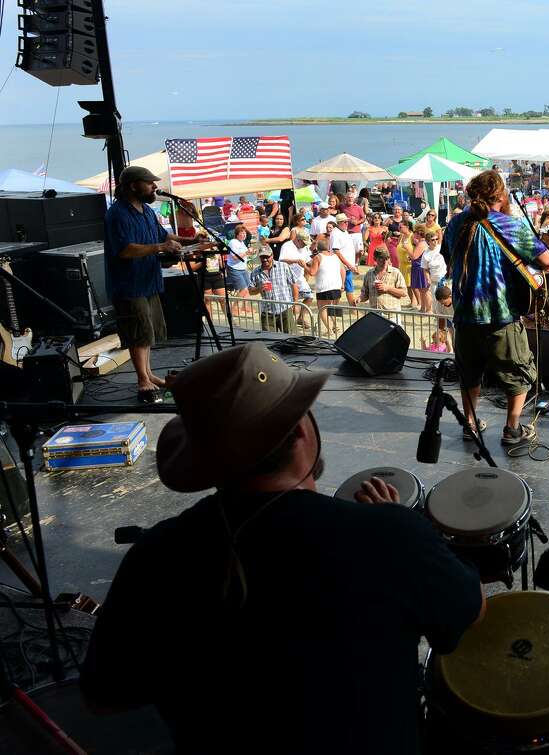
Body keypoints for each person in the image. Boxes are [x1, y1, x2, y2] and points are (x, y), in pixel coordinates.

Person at [79, 345, 484, 754]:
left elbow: (104, 697)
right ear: (304, 433)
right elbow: (471, 610)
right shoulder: (392, 537)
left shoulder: (156, 556)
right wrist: (408, 526)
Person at [444, 170, 549, 446]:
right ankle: (512, 429)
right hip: (500, 314)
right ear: (500, 196)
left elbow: (451, 260)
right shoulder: (508, 224)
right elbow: (547, 260)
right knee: (518, 372)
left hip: (465, 313)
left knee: (469, 371)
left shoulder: (455, 224)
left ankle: (469, 423)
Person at [103, 166, 213, 404]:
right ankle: (143, 380)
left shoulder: (146, 212)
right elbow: (125, 250)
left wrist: (192, 240)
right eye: (149, 182)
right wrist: (161, 248)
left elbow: (165, 237)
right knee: (138, 332)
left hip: (148, 280)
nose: (154, 186)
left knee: (148, 331)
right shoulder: (117, 214)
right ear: (133, 185)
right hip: (129, 284)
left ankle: (149, 374)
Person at [247, 247, 303, 333]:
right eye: (262, 257)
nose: (265, 259)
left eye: (267, 256)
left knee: (291, 338)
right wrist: (259, 288)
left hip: (285, 309)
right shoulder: (255, 272)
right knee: (270, 340)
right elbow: (250, 291)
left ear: (272, 256)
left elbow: (294, 284)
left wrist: (295, 304)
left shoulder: (283, 267)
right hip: (267, 312)